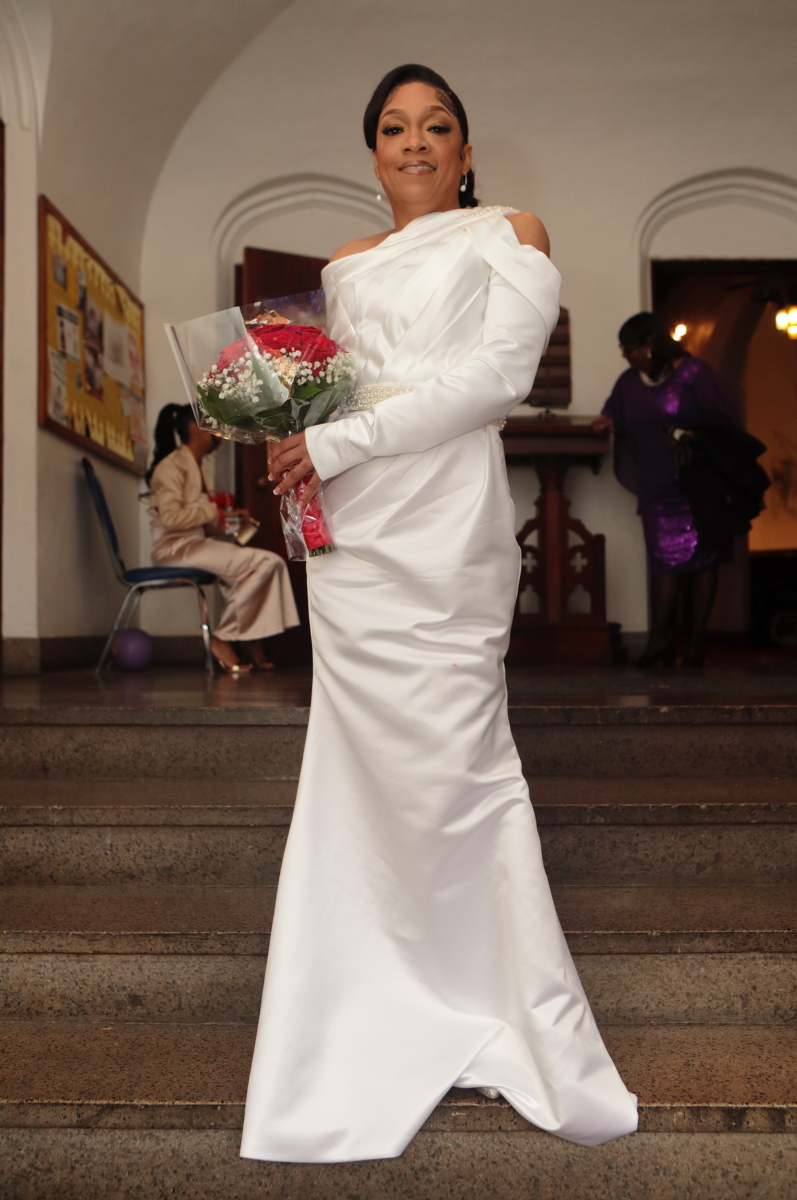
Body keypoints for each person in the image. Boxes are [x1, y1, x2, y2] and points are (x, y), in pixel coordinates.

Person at [241, 64, 637, 1163]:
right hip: (354, 533)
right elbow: (347, 387)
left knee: (461, 756)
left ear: (465, 149)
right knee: (360, 761)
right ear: (371, 152)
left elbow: (494, 378)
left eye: (436, 127)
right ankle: (362, 997)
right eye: (392, 128)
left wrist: (333, 441)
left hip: (439, 525)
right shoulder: (341, 266)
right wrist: (297, 444)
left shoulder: (510, 232)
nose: (414, 142)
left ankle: (490, 994)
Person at [594, 313, 751, 668]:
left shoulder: (694, 374)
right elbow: (614, 413)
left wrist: (693, 435)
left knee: (703, 560)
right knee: (663, 563)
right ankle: (659, 642)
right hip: (656, 488)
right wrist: (605, 423)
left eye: (631, 348)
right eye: (624, 349)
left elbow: (725, 422)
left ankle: (695, 645)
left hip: (697, 484)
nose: (626, 356)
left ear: (651, 344)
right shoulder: (628, 382)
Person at [146, 403, 299, 673]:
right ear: (195, 428)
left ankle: (250, 640)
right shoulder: (169, 467)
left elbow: (204, 523)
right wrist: (212, 510)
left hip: (193, 543)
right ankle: (223, 638)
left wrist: (230, 520)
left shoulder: (200, 469)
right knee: (264, 564)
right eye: (210, 425)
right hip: (174, 547)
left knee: (269, 564)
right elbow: (171, 519)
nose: (216, 433)